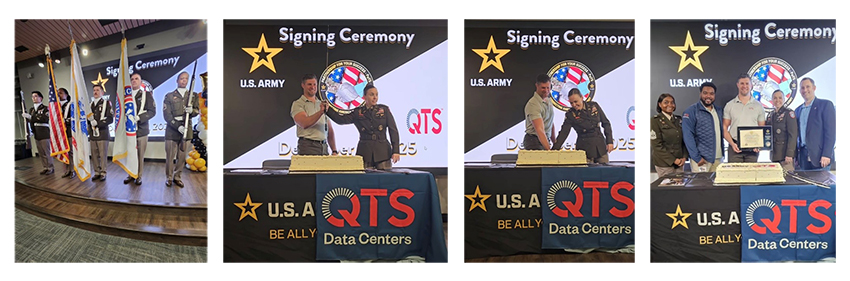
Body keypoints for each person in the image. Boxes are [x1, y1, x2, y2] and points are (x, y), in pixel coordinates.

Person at [326, 83, 400, 169]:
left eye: (376, 94)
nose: (375, 97)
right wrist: (327, 110)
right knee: (365, 181)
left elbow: (393, 130)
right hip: (365, 152)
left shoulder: (384, 110)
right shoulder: (358, 112)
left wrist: (396, 151)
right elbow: (341, 120)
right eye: (372, 95)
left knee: (384, 180)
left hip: (383, 153)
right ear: (364, 97)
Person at [552, 88, 614, 163]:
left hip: (600, 147)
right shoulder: (570, 114)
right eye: (571, 103)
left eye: (576, 101)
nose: (574, 105)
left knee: (604, 172)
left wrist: (609, 141)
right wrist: (554, 151)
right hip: (584, 149)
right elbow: (563, 133)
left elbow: (606, 123)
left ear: (581, 98)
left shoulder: (594, 106)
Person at [163, 72, 200, 187]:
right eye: (182, 78)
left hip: (186, 129)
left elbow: (197, 111)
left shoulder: (193, 96)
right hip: (172, 130)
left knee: (182, 156)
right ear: (177, 80)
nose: (184, 81)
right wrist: (177, 126)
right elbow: (167, 115)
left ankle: (177, 177)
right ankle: (169, 178)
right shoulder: (169, 96)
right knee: (170, 156)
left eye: (186, 79)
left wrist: (192, 111)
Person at [722, 74, 766, 163]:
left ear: (751, 85)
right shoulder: (730, 105)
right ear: (737, 85)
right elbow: (724, 128)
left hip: (752, 149)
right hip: (734, 146)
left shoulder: (758, 106)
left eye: (747, 83)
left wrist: (759, 145)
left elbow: (762, 129)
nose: (744, 86)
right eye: (742, 83)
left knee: (751, 175)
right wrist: (732, 144)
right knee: (734, 176)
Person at [795, 78, 836, 170]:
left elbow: (830, 132)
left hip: (820, 158)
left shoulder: (825, 105)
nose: (805, 90)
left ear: (814, 88)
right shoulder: (797, 110)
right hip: (803, 159)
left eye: (808, 87)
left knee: (821, 184)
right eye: (802, 88)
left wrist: (826, 154)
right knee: (805, 184)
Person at [682, 82, 724, 172]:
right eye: (705, 93)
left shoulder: (719, 111)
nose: (708, 96)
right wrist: (697, 157)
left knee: (717, 185)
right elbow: (688, 136)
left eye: (711, 94)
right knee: (701, 186)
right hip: (701, 160)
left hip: (718, 159)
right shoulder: (691, 111)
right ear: (700, 94)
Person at [291, 74, 337, 155]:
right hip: (308, 146)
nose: (312, 87)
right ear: (303, 85)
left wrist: (334, 150)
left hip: (324, 146)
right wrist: (320, 112)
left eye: (314, 84)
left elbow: (329, 129)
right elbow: (304, 123)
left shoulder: (322, 104)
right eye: (309, 84)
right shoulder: (298, 104)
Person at [123, 73, 156, 185]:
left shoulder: (146, 95)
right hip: (129, 131)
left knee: (140, 155)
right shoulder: (126, 97)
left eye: (136, 79)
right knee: (131, 154)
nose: (134, 81)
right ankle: (130, 174)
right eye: (132, 79)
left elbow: (152, 111)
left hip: (141, 130)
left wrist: (139, 118)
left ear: (141, 82)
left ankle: (139, 175)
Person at [651, 93, 687, 177]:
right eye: (666, 102)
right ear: (660, 104)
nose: (670, 105)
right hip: (664, 164)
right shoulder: (654, 121)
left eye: (672, 102)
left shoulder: (679, 119)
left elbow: (685, 140)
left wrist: (684, 157)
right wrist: (673, 160)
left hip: (679, 162)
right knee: (667, 189)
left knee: (680, 188)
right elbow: (657, 146)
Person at [22, 91, 54, 175]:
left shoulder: (45, 108)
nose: (34, 98)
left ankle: (50, 167)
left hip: (44, 132)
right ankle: (45, 167)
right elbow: (31, 122)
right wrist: (31, 131)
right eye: (33, 97)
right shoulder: (32, 110)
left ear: (41, 98)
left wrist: (31, 117)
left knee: (46, 152)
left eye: (36, 96)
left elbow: (44, 118)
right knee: (41, 152)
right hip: (36, 132)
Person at [766, 90, 797, 171]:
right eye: (775, 98)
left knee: (787, 179)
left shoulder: (789, 113)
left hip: (785, 156)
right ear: (772, 100)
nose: (777, 100)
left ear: (784, 99)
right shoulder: (771, 115)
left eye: (780, 98)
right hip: (774, 155)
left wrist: (790, 154)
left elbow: (793, 135)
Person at [523, 74, 555, 150]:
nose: (546, 90)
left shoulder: (548, 100)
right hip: (533, 142)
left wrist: (555, 144)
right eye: (543, 88)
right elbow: (539, 130)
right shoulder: (533, 104)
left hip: (545, 139)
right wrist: (549, 150)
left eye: (548, 87)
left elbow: (550, 123)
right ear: (537, 86)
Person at [88, 84, 112, 182]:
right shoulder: (90, 105)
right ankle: (96, 172)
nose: (95, 92)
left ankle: (103, 172)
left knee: (102, 155)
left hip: (102, 133)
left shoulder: (106, 103)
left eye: (98, 90)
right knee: (94, 154)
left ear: (102, 92)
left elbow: (110, 119)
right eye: (94, 90)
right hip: (93, 134)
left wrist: (98, 123)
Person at [58, 88, 75, 178]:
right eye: (57, 93)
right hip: (61, 133)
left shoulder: (70, 105)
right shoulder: (56, 107)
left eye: (61, 93)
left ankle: (72, 170)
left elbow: (73, 119)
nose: (59, 95)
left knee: (71, 152)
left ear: (66, 95)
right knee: (64, 151)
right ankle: (67, 170)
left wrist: (64, 121)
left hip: (68, 132)